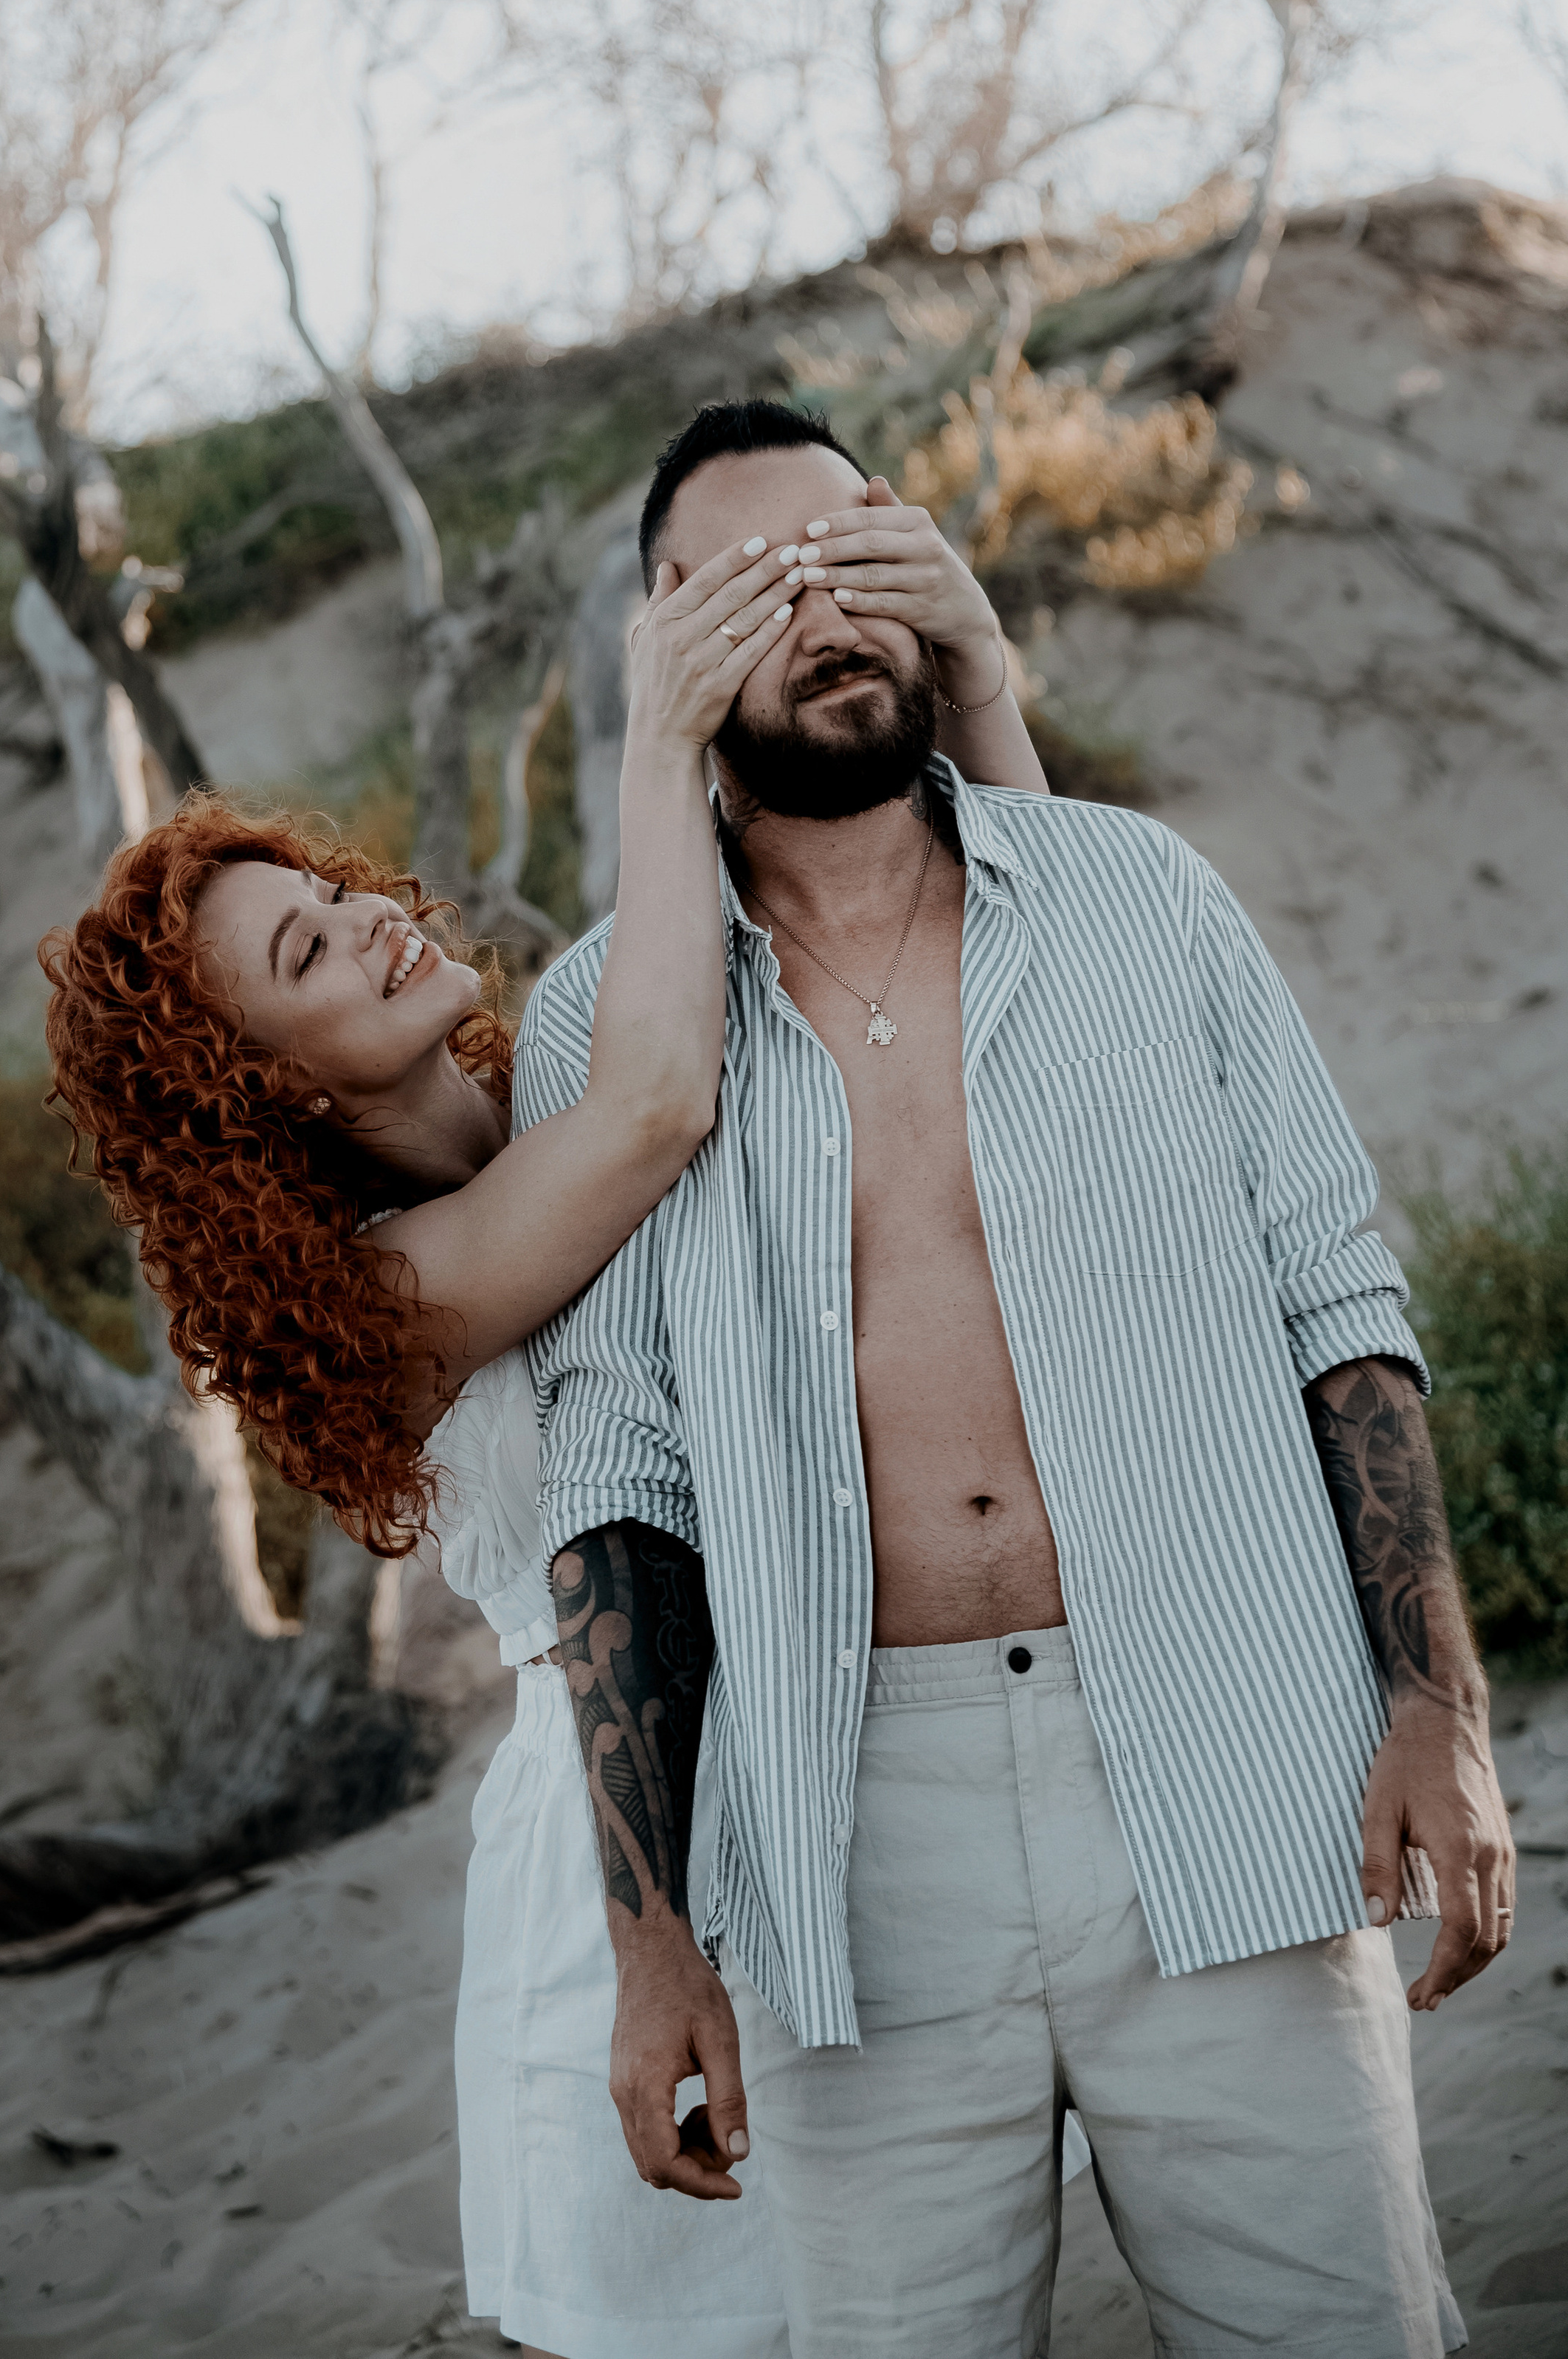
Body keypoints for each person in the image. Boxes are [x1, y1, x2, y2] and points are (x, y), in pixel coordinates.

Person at [521, 398, 1516, 2357]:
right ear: (663, 639)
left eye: (857, 554)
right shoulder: (600, 1020)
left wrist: (1439, 1704)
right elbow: (615, 1488)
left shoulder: (1143, 899)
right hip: (845, 1835)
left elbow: (1338, 1298)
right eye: (751, 583)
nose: (821, 611)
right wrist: (653, 1944)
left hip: (1234, 1752)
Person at [38, 514, 1048, 2359]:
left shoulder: (560, 1081)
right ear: (250, 1086)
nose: (366, 911)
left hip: (832, 1772)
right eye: (304, 950)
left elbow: (985, 973)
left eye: (328, 889)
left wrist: (948, 683)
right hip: (618, 1864)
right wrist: (654, 731)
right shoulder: (383, 1293)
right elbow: (670, 1102)